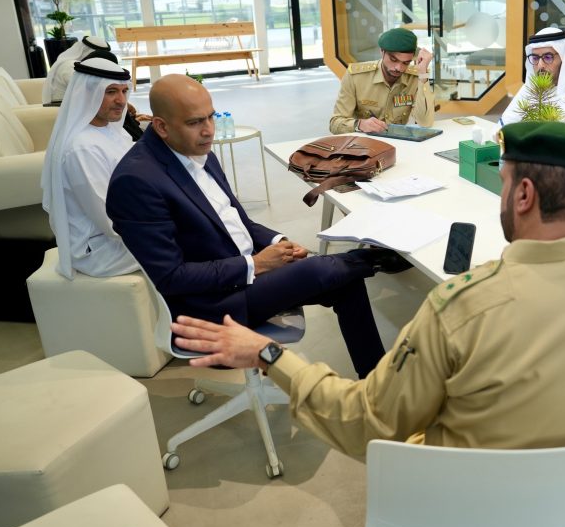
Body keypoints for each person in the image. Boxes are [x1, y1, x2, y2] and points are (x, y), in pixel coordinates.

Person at [170, 121, 565, 489]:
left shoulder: (461, 308)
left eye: (503, 183)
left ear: (524, 195)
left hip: (459, 503)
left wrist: (266, 354)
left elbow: (364, 423)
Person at [106, 74, 411, 377]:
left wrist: (278, 242)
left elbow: (236, 220)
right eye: (195, 122)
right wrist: (256, 264)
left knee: (344, 281)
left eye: (211, 117)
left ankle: (377, 384)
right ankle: (373, 258)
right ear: (161, 126)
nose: (209, 130)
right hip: (212, 305)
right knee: (321, 269)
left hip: (241, 274)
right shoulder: (136, 181)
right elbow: (172, 278)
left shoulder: (194, 148)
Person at [40, 57, 140, 279]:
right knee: (196, 240)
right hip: (100, 250)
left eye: (124, 91)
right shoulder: (82, 148)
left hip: (124, 232)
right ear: (87, 93)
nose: (121, 100)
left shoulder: (111, 130)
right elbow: (111, 220)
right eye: (111, 91)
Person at [329, 28, 434, 134]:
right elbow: (335, 124)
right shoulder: (356, 77)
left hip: (398, 141)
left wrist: (423, 74)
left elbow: (425, 122)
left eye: (406, 63)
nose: (399, 68)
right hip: (364, 141)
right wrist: (359, 125)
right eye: (393, 60)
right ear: (382, 52)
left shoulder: (415, 78)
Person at [42, 35, 111, 105]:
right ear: (86, 51)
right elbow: (85, 89)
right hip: (60, 105)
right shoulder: (69, 66)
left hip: (74, 103)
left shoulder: (79, 64)